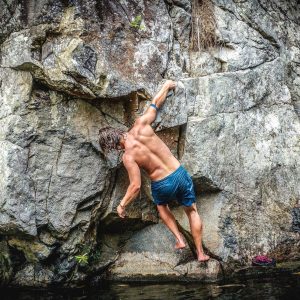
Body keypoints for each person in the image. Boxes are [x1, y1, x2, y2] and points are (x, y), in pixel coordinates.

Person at [98, 80, 210, 262]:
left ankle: (179, 239)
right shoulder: (140, 124)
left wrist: (122, 205)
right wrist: (167, 85)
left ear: (113, 145)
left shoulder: (128, 156)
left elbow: (135, 186)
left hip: (162, 184)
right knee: (192, 211)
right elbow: (155, 104)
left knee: (162, 207)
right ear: (118, 132)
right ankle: (200, 253)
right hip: (179, 174)